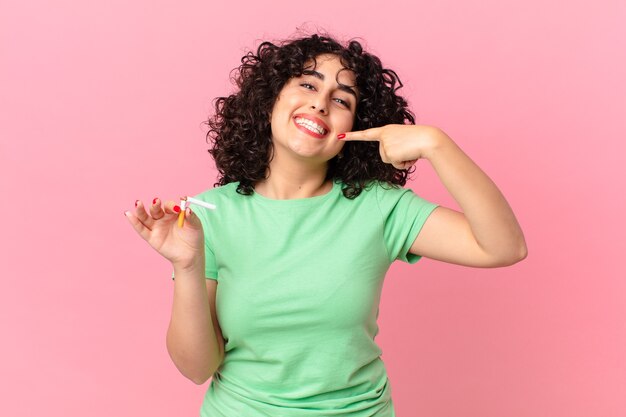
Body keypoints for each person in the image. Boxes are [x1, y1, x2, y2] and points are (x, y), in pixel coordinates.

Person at [124, 33, 527, 417]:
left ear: (354, 127)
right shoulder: (209, 214)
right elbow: (197, 368)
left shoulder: (378, 207)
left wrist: (436, 144)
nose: (320, 104)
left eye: (341, 99)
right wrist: (187, 265)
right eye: (308, 85)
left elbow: (504, 247)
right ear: (270, 100)